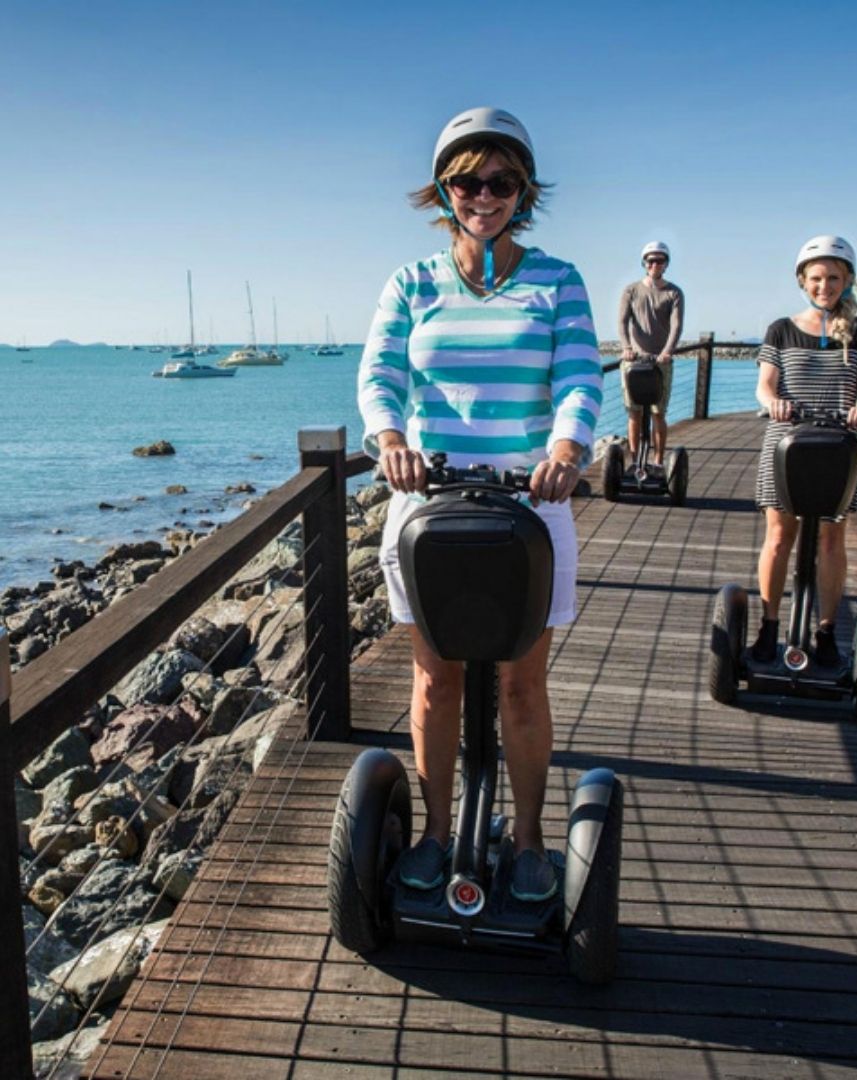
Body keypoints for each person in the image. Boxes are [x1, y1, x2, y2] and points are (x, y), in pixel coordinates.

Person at [358, 107, 603, 903]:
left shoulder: (557, 281)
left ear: (523, 189)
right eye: (467, 181)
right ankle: (434, 832)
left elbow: (579, 378)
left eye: (501, 181)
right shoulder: (412, 282)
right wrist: (389, 436)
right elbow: (380, 375)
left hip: (529, 502)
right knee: (436, 681)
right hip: (428, 499)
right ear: (443, 190)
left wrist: (566, 450)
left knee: (522, 683)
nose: (483, 195)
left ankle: (529, 840)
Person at [751, 235, 857, 667]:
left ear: (847, 281)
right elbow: (765, 385)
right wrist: (773, 403)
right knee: (778, 537)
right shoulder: (782, 329)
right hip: (787, 442)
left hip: (838, 445)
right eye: (816, 278)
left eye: (833, 278)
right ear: (803, 282)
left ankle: (826, 632)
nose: (824, 285)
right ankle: (768, 627)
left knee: (831, 538)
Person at [617, 241, 685, 465]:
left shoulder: (674, 293)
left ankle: (657, 461)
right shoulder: (631, 290)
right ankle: (635, 460)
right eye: (651, 260)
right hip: (634, 360)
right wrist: (627, 347)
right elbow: (622, 321)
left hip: (660, 361)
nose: (655, 264)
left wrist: (667, 352)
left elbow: (676, 326)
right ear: (644, 263)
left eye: (660, 260)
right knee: (634, 413)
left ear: (666, 264)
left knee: (658, 413)